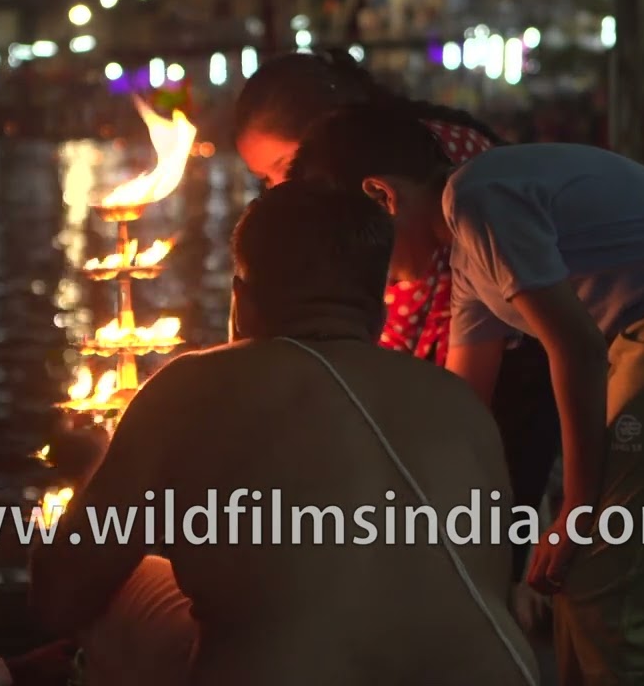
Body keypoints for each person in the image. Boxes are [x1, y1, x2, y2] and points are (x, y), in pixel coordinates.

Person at [286, 107, 644, 686]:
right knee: (580, 585)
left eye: (360, 244)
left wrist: (574, 508)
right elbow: (464, 399)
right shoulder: (470, 253)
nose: (374, 273)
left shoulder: (478, 197)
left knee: (609, 597)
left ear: (381, 196)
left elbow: (575, 349)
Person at [28, 181, 540, 686]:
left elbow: (61, 596)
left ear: (240, 300)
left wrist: (94, 466)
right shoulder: (457, 402)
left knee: (124, 582)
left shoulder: (191, 385)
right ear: (378, 313)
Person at [234, 50, 562, 581]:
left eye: (279, 171)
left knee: (474, 539)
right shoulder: (388, 162)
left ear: (328, 137)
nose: (281, 189)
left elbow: (444, 314)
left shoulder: (438, 176)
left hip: (514, 368)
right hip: (474, 375)